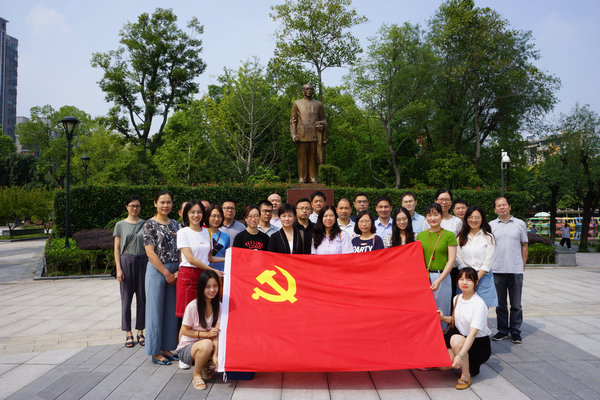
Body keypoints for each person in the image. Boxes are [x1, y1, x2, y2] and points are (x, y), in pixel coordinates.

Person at [438, 267, 492, 390]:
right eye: (461, 279)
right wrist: (442, 318)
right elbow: (455, 319)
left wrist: (460, 355)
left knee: (456, 340)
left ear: (476, 282)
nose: (464, 282)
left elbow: (472, 334)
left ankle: (466, 375)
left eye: (469, 279)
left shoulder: (479, 304)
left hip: (477, 345)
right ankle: (465, 363)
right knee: (442, 365)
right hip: (461, 339)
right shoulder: (457, 298)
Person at [143, 191, 180, 365]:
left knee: (171, 312)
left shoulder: (175, 224)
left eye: (168, 202)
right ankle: (155, 351)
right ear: (155, 203)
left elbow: (181, 249)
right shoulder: (149, 224)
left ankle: (166, 347)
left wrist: (178, 270)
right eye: (162, 202)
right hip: (158, 270)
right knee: (155, 311)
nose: (165, 205)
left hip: (175, 270)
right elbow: (150, 252)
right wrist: (166, 273)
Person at [490, 196, 528, 344]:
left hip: (515, 270)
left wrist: (522, 264)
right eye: (498, 206)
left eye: (504, 205)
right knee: (500, 304)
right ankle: (502, 330)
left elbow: (524, 245)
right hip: (497, 270)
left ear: (509, 206)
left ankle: (515, 331)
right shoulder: (491, 225)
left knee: (516, 304)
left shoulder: (520, 224)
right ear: (495, 209)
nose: (502, 207)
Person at [175, 270, 221, 390]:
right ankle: (196, 374)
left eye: (215, 286)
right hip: (187, 348)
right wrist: (206, 334)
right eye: (208, 287)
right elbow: (184, 331)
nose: (212, 290)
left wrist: (215, 356)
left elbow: (216, 334)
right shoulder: (193, 306)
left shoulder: (219, 306)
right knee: (207, 344)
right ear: (201, 288)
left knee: (217, 344)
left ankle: (205, 365)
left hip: (208, 345)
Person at [113, 195, 148, 348]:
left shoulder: (145, 224)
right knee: (126, 299)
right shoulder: (120, 225)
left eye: (137, 206)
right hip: (126, 261)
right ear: (127, 207)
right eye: (132, 205)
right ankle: (128, 332)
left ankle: (140, 331)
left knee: (142, 298)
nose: (135, 208)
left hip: (143, 261)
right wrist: (118, 268)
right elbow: (116, 248)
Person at [177, 200, 219, 325]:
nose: (196, 215)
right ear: (186, 214)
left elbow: (209, 258)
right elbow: (190, 258)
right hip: (188, 277)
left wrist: (229, 258)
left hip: (204, 277)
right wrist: (213, 270)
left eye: (199, 212)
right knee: (188, 317)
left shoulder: (207, 232)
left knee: (203, 314)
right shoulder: (183, 232)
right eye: (192, 212)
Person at [417, 203, 457, 328]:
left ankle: (443, 334)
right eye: (429, 215)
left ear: (441, 216)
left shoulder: (449, 235)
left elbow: (451, 260)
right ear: (426, 217)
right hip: (425, 278)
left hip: (442, 277)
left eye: (436, 215)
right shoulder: (420, 236)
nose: (433, 218)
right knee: (426, 309)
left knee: (442, 309)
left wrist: (439, 280)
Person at [456, 206, 497, 308]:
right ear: (466, 219)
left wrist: (476, 278)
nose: (473, 220)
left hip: (483, 277)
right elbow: (458, 258)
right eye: (470, 217)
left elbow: (488, 260)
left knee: (482, 309)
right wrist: (468, 277)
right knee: (465, 308)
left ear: (482, 219)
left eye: (477, 217)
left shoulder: (488, 237)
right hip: (465, 278)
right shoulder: (460, 237)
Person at [290, 83, 328, 183]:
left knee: (313, 157)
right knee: (302, 157)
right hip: (301, 134)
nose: (309, 91)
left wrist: (322, 125)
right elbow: (293, 120)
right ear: (303, 91)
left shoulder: (318, 104)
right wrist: (293, 134)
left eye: (311, 89)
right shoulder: (297, 103)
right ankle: (302, 177)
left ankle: (313, 177)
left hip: (315, 134)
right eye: (307, 89)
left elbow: (324, 119)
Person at [206, 204, 230, 274]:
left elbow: (226, 254)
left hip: (221, 272)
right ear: (207, 217)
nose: (216, 219)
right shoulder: (202, 234)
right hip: (206, 273)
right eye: (213, 216)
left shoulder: (226, 236)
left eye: (219, 216)